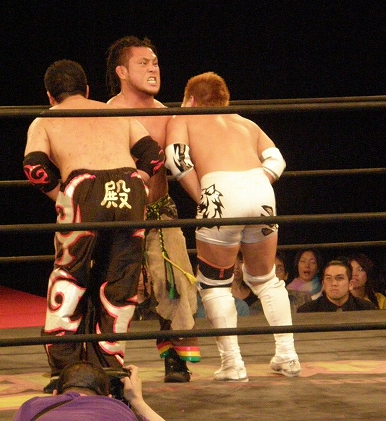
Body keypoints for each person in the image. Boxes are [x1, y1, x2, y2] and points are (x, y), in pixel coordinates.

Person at [23, 60, 165, 390]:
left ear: (50, 96)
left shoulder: (46, 118)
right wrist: (139, 182)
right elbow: (154, 155)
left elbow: (34, 166)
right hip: (129, 189)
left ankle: (66, 372)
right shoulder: (115, 113)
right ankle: (110, 371)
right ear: (87, 90)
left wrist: (62, 196)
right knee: (120, 280)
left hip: (82, 187)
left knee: (70, 276)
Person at [164, 71, 301, 381]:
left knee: (215, 283)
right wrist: (253, 185)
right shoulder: (245, 122)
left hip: (219, 189)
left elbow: (176, 160)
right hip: (260, 188)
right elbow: (276, 160)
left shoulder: (184, 118)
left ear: (191, 99)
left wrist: (204, 196)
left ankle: (233, 364)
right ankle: (288, 357)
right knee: (265, 279)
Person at [106, 36, 200, 382]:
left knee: (174, 282)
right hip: (119, 212)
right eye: (143, 63)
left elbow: (183, 159)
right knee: (114, 286)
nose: (153, 69)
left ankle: (175, 358)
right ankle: (106, 359)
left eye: (155, 63)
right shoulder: (107, 114)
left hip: (160, 210)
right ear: (122, 72)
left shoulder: (167, 115)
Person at [12, 361, 165, 421]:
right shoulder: (118, 410)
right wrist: (138, 401)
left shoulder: (32, 407)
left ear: (55, 394)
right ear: (108, 397)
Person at [233, 251, 310, 314]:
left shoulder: (303, 298)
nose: (275, 274)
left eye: (279, 269)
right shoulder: (255, 308)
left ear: (286, 275)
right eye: (270, 270)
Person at [297, 260, 378, 312]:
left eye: (339, 278)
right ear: (323, 285)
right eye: (328, 278)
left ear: (350, 284)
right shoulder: (307, 311)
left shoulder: (367, 309)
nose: (334, 283)